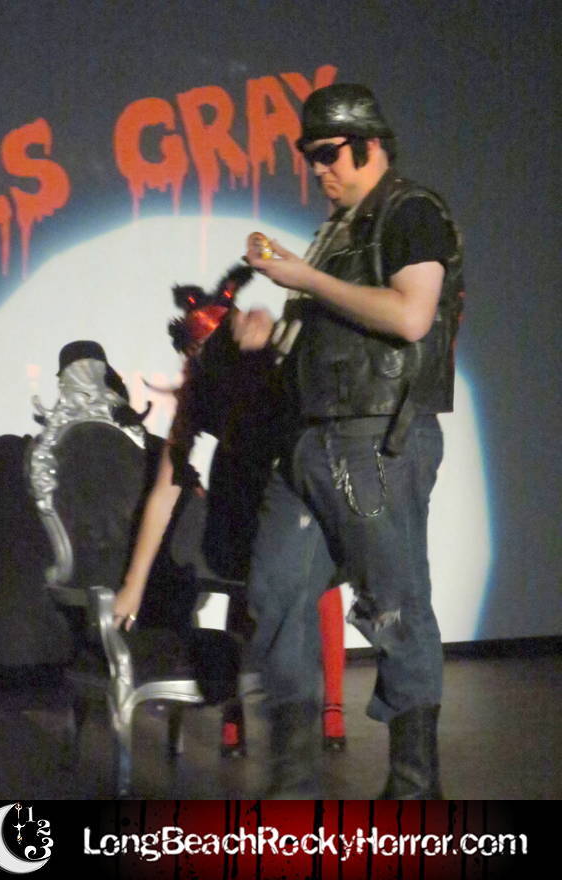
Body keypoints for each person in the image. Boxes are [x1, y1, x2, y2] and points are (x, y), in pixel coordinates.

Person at [233, 83, 464, 798]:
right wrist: (272, 338)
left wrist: (303, 277)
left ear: (370, 144)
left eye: (328, 153)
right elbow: (330, 330)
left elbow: (411, 316)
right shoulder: (336, 229)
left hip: (373, 441)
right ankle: (293, 782)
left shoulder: (411, 210)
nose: (318, 168)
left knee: (395, 605)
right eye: (310, 155)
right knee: (275, 595)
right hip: (309, 442)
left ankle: (414, 787)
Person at [113, 265, 348, 754]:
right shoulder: (201, 394)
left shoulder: (277, 367)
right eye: (200, 350)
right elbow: (165, 491)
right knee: (247, 590)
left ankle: (331, 709)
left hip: (292, 486)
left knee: (318, 580)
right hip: (240, 498)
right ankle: (236, 713)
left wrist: (277, 331)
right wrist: (133, 585)